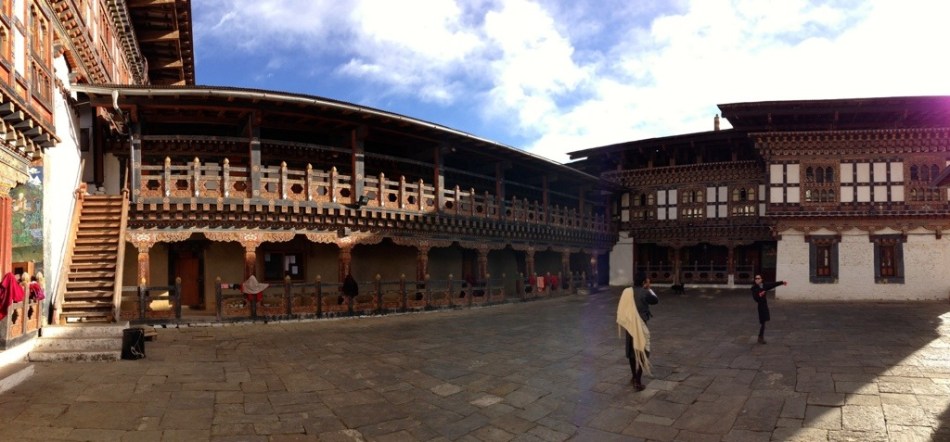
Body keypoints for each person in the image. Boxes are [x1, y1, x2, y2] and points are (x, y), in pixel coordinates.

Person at [617, 272, 658, 391]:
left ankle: (634, 377)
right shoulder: (645, 292)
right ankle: (638, 382)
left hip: (630, 325)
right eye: (648, 281)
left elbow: (622, 307)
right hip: (640, 324)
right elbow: (655, 300)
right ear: (644, 283)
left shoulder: (626, 291)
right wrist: (649, 289)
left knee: (631, 352)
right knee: (642, 350)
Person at [751, 274, 787, 344]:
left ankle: (760, 337)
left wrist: (782, 282)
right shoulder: (754, 288)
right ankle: (760, 337)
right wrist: (760, 295)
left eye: (758, 278)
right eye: (756, 278)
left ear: (761, 279)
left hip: (765, 306)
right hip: (761, 306)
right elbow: (755, 298)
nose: (757, 280)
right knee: (763, 321)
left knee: (764, 321)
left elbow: (772, 284)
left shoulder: (763, 286)